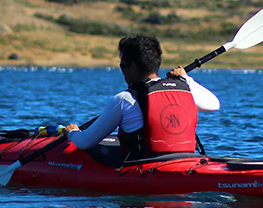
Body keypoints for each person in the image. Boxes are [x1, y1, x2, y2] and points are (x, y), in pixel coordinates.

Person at [64, 35, 219, 159]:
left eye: (122, 65)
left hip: (146, 168)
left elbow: (84, 142)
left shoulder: (125, 98)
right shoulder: (184, 88)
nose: (122, 70)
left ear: (133, 67)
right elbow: (214, 104)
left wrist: (73, 132)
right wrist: (186, 79)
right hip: (185, 161)